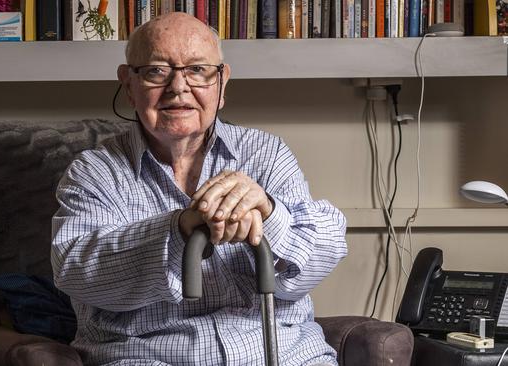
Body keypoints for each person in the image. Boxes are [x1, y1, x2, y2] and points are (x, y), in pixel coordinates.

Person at [51, 12, 347, 366]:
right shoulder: (94, 171)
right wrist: (179, 227)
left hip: (280, 353)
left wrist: (268, 213)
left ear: (222, 84)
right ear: (128, 84)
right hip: (148, 357)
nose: (178, 87)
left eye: (198, 70)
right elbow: (77, 270)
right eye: (157, 71)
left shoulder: (266, 153)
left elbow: (320, 257)